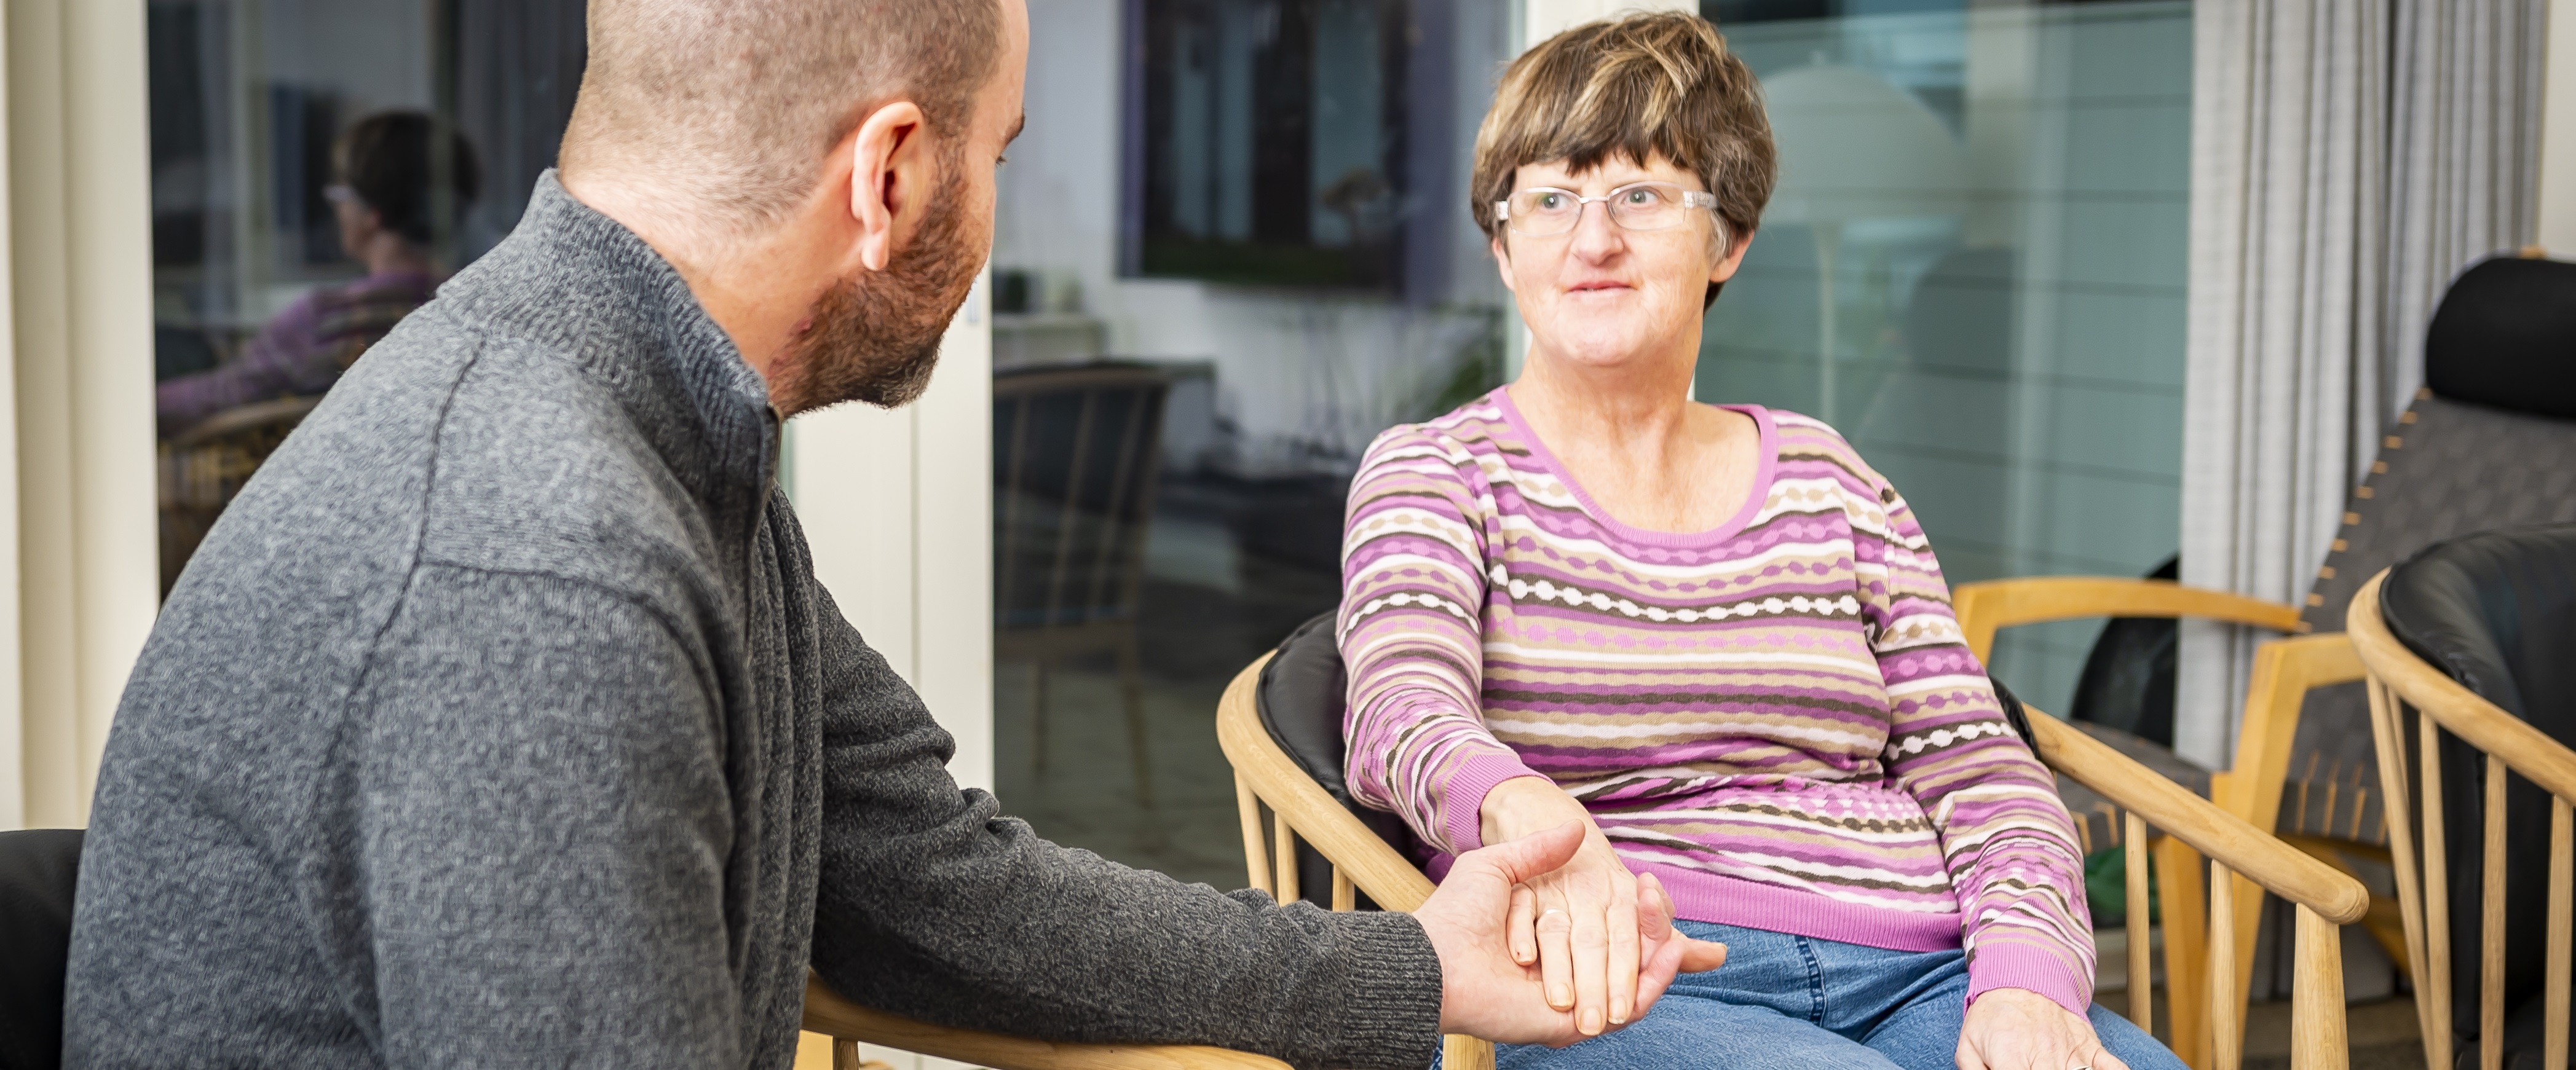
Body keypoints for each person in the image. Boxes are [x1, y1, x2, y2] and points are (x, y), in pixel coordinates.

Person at [66, 2, 1729, 1068]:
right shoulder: (534, 571)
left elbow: (934, 884)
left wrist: (1399, 969)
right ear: (887, 176)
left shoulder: (655, 434)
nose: (998, 221)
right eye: (995, 159)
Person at [1337, 14, 2184, 1070]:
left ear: (1727, 238)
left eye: (1638, 196)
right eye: (1549, 199)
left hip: (1924, 965)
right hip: (1618, 974)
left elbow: (1981, 769)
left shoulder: (1833, 483)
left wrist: (2026, 980)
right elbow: (1399, 713)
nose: (1590, 239)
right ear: (1506, 250)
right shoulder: (1438, 472)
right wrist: (1526, 813)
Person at [157, 111, 478, 435]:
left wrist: (133, 400)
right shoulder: (474, 311)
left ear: (373, 216)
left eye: (341, 196)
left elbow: (219, 394)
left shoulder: (325, 321)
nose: (337, 209)